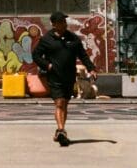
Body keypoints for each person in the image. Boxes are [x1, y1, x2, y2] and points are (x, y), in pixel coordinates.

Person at [32, 11, 95, 146]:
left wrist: (91, 68)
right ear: (54, 24)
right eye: (61, 22)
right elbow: (36, 55)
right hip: (54, 76)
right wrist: (47, 65)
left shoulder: (73, 39)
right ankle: (61, 130)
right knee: (59, 102)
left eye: (65, 21)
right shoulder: (47, 39)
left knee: (65, 103)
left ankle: (59, 130)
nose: (64, 24)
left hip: (69, 76)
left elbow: (82, 55)